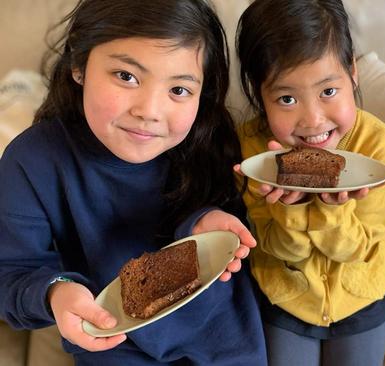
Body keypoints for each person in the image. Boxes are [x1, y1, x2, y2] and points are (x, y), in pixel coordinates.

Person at [0, 0, 267, 364]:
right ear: (79, 64)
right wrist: (55, 293)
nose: (149, 111)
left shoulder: (207, 137)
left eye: (179, 90)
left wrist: (208, 222)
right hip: (114, 342)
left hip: (222, 335)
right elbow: (11, 272)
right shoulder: (33, 161)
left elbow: (245, 222)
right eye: (126, 76)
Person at [234, 1, 385, 365]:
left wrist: (332, 209)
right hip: (287, 294)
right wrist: (288, 210)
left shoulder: (378, 146)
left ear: (352, 72)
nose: (312, 120)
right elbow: (278, 249)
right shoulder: (253, 152)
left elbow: (355, 250)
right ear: (259, 95)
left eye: (328, 91)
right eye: (287, 98)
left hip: (361, 291)